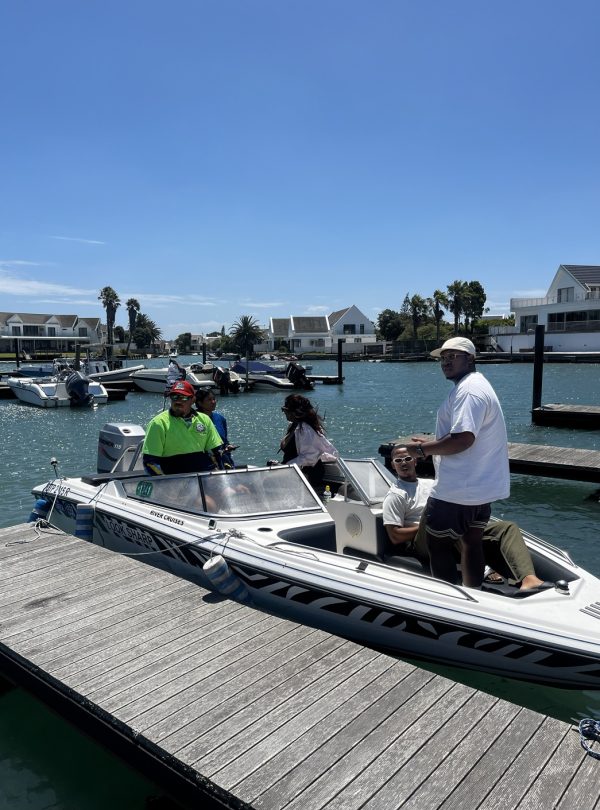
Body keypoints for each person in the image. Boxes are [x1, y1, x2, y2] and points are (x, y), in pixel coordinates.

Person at [405, 337, 510, 588]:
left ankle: (448, 600)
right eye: (443, 358)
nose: (445, 362)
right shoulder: (478, 384)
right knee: (471, 542)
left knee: (437, 544)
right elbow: (466, 434)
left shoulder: (468, 390)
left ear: (470, 358)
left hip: (457, 490)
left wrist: (420, 450)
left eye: (452, 356)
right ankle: (473, 594)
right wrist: (435, 442)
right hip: (480, 489)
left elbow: (463, 439)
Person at [383, 444, 547, 592]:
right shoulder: (396, 495)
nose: (403, 463)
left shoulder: (430, 484)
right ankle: (483, 569)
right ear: (393, 465)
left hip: (446, 529)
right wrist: (425, 527)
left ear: (415, 461)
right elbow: (395, 536)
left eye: (407, 459)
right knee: (445, 514)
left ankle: (529, 579)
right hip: (423, 543)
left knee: (506, 528)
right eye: (398, 460)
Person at [142, 379, 223, 475]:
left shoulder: (204, 420)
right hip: (175, 480)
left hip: (204, 478)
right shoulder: (158, 423)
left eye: (183, 397)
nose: (178, 401)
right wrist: (165, 482)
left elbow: (217, 452)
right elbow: (150, 463)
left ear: (193, 400)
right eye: (174, 397)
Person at [277, 393, 339, 496]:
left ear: (294, 412)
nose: (284, 413)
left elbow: (309, 458)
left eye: (285, 410)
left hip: (307, 474)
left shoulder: (305, 429)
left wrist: (285, 467)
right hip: (294, 471)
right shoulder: (293, 426)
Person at [195, 387, 237, 468]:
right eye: (209, 400)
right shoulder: (192, 419)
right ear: (199, 403)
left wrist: (228, 446)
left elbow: (224, 441)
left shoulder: (220, 419)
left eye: (214, 399)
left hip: (223, 462)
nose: (213, 402)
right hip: (204, 464)